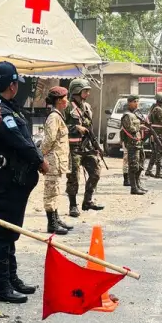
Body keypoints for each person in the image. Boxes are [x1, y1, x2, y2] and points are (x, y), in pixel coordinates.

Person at [0, 61, 42, 303]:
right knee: (3, 233)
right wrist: (39, 160)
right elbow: (18, 140)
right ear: (12, 85)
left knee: (11, 232)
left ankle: (10, 277)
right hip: (6, 180)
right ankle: (0, 285)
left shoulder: (8, 107)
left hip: (15, 181)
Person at [64, 78, 104, 218]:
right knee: (73, 177)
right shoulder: (67, 107)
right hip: (73, 148)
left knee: (96, 173)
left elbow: (89, 127)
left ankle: (87, 201)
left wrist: (96, 145)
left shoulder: (87, 107)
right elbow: (60, 126)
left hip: (87, 147)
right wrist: (75, 127)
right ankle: (73, 205)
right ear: (77, 91)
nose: (88, 93)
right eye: (85, 91)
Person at [40, 86, 73, 233]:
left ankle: (56, 218)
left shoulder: (58, 116)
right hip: (52, 161)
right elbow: (49, 140)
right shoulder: (54, 117)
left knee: (56, 190)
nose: (67, 101)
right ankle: (52, 223)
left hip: (58, 161)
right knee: (51, 192)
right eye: (65, 98)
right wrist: (40, 156)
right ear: (59, 100)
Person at [120, 95, 147, 195]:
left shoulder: (134, 114)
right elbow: (130, 128)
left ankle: (138, 184)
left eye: (137, 101)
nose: (137, 103)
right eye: (134, 101)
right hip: (132, 144)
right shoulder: (127, 115)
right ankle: (134, 188)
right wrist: (140, 127)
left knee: (140, 165)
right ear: (129, 103)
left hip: (138, 143)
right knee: (133, 166)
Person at [145, 91, 162, 178]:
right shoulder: (159, 109)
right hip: (159, 134)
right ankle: (158, 173)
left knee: (155, 153)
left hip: (155, 133)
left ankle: (149, 170)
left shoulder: (154, 107)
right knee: (160, 152)